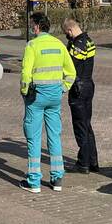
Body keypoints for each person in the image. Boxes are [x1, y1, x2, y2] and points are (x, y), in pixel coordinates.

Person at [20, 11, 76, 193]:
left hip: (36, 97)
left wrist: (24, 92)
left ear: (36, 26)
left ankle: (34, 181)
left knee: (33, 138)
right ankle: (57, 178)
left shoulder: (32, 46)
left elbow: (26, 74)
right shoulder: (59, 44)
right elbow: (71, 72)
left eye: (31, 25)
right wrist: (63, 88)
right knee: (54, 136)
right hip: (54, 97)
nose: (31, 28)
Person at [62, 18, 99, 174]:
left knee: (80, 126)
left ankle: (83, 163)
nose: (67, 37)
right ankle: (93, 161)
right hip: (88, 85)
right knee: (87, 124)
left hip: (78, 88)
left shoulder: (77, 45)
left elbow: (71, 66)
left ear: (70, 30)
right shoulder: (89, 41)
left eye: (66, 34)